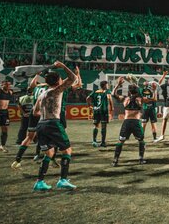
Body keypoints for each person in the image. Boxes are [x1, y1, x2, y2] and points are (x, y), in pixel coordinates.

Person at [32, 61, 77, 191]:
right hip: (53, 123)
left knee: (49, 153)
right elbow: (73, 78)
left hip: (41, 124)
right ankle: (63, 180)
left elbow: (35, 112)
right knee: (67, 150)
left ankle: (39, 182)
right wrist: (63, 66)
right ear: (58, 81)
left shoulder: (42, 94)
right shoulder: (57, 91)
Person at [111, 77, 155, 166]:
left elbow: (113, 94)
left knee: (120, 141)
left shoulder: (125, 99)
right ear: (137, 90)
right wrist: (154, 90)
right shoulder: (140, 99)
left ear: (129, 91)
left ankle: (115, 160)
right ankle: (141, 159)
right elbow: (154, 98)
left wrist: (118, 85)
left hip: (126, 122)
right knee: (141, 141)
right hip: (136, 122)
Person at [140, 71, 167, 143]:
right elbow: (159, 83)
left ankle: (141, 138)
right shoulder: (154, 90)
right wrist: (163, 75)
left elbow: (158, 83)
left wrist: (163, 76)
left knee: (143, 124)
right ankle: (154, 138)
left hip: (145, 109)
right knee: (153, 124)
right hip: (152, 109)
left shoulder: (143, 90)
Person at [87, 81, 114, 147]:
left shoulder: (95, 91)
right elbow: (110, 100)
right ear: (104, 86)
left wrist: (90, 106)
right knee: (104, 126)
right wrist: (111, 109)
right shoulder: (107, 92)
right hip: (104, 111)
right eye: (107, 85)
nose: (108, 86)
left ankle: (94, 141)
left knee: (96, 126)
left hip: (96, 110)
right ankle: (103, 142)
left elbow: (87, 98)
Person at [0, 80, 14, 152]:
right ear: (2, 85)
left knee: (5, 129)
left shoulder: (10, 92)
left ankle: (2, 145)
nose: (8, 86)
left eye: (9, 85)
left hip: (5, 112)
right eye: (6, 85)